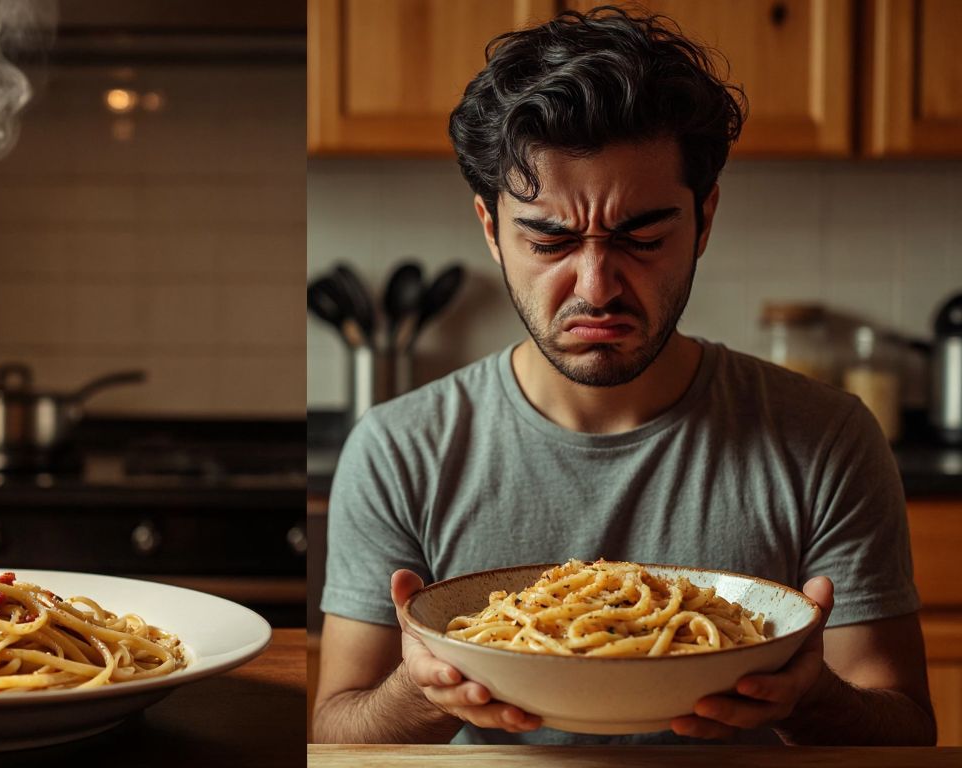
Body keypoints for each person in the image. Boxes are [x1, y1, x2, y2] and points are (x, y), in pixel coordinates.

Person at [311, 6, 936, 746]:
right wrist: (420, 693)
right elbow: (335, 732)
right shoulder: (398, 448)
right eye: (550, 240)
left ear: (703, 220)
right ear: (490, 229)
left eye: (643, 237)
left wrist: (810, 696)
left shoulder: (826, 438)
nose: (597, 285)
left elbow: (904, 734)